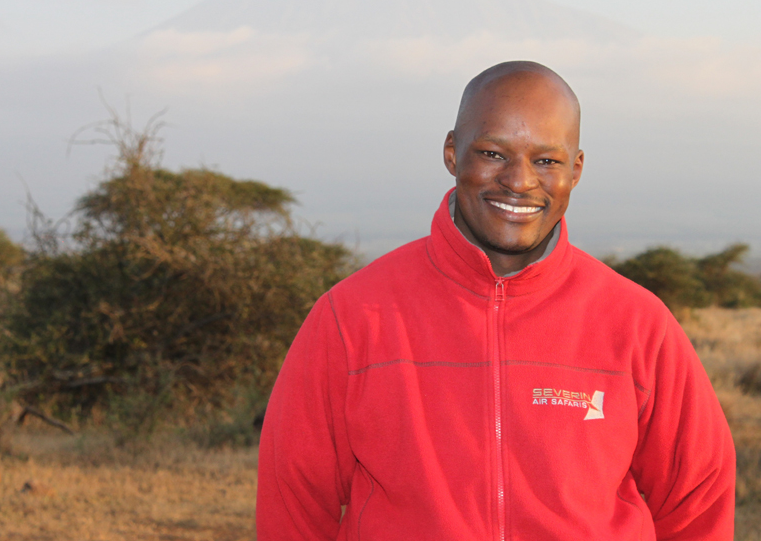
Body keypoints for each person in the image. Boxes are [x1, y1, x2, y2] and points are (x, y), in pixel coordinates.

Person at [257, 61, 735, 540]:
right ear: (452, 153)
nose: (520, 180)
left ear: (577, 169)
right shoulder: (353, 316)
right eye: (492, 153)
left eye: (547, 160)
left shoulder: (636, 322)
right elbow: (293, 503)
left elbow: (699, 496)